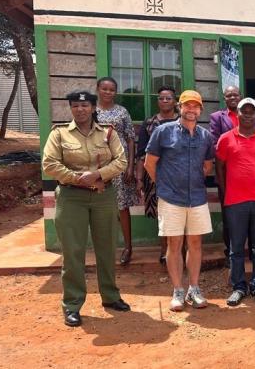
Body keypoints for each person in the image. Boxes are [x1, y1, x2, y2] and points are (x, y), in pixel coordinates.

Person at [42, 90, 131, 327]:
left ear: (93, 108)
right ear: (71, 109)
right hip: (71, 198)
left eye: (84, 106)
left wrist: (97, 175)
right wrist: (77, 178)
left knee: (107, 248)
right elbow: (49, 163)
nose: (79, 110)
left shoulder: (108, 132)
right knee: (72, 253)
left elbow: (121, 161)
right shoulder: (59, 133)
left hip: (103, 196)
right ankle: (72, 305)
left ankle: (111, 297)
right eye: (75, 106)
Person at [144, 90, 215, 311]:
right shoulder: (163, 132)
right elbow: (149, 163)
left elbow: (207, 165)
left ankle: (194, 288)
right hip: (171, 198)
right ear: (180, 107)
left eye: (196, 106)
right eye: (187, 105)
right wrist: (164, 185)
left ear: (200, 110)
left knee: (195, 244)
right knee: (174, 244)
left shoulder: (206, 137)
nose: (191, 110)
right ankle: (178, 290)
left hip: (197, 198)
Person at [216, 98, 255, 306]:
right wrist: (225, 191)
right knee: (236, 247)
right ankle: (239, 286)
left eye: (252, 112)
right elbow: (219, 167)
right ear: (237, 114)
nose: (248, 115)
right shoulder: (225, 138)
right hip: (235, 200)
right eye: (244, 111)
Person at [95, 77, 137, 266]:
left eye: (111, 89)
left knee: (122, 207)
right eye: (104, 89)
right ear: (97, 90)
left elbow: (130, 139)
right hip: (98, 166)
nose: (108, 92)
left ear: (115, 92)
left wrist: (130, 165)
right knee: (101, 207)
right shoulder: (91, 111)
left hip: (120, 164)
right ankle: (104, 249)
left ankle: (128, 247)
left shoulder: (122, 112)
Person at [135, 86, 179, 265]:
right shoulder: (150, 123)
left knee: (180, 211)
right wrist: (139, 179)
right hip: (155, 176)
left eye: (169, 98)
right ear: (158, 101)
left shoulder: (182, 121)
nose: (165, 101)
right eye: (161, 98)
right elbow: (141, 154)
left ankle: (179, 249)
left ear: (175, 101)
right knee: (162, 213)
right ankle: (164, 250)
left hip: (178, 175)